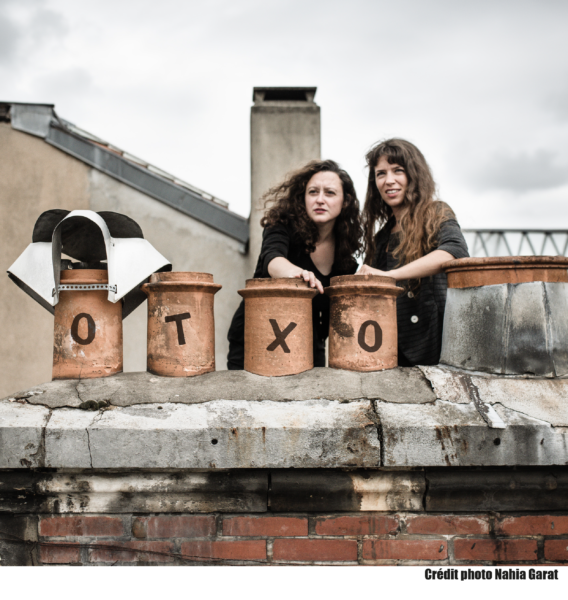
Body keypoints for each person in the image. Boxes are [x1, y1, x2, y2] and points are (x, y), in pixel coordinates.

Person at [228, 159, 363, 369]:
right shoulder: (281, 226)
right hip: (254, 336)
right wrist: (300, 274)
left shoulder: (345, 256)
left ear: (345, 201)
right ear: (303, 197)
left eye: (329, 193)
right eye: (312, 192)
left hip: (307, 343)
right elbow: (272, 260)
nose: (320, 199)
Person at [359, 138, 469, 366]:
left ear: (414, 174)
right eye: (381, 173)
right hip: (395, 348)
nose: (389, 180)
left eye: (397, 170)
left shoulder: (436, 212)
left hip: (434, 344)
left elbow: (454, 251)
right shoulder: (382, 237)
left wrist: (390, 275)